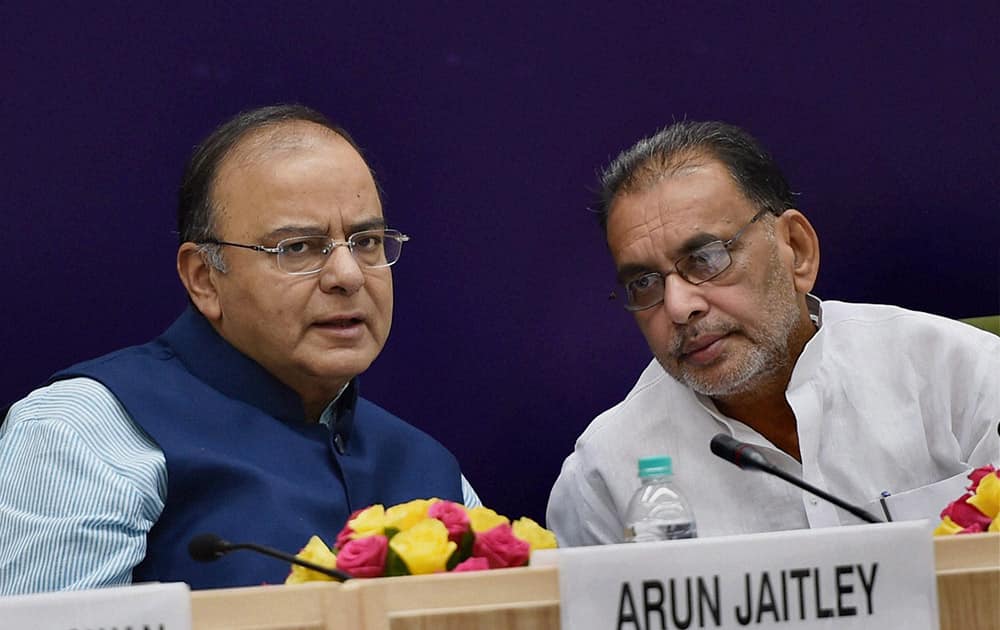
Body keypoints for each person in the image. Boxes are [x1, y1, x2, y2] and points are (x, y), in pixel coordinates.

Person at [0, 104, 480, 593]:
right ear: (204, 279)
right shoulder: (85, 431)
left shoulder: (427, 465)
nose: (349, 276)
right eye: (297, 247)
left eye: (367, 241)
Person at [547, 121, 999, 546]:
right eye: (644, 282)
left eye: (705, 257)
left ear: (796, 250)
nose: (679, 306)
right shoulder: (605, 476)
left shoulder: (964, 379)